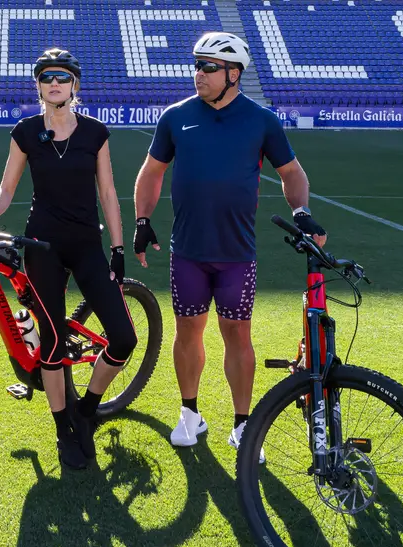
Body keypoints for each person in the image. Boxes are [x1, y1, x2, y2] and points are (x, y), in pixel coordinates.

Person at [132, 32, 327, 459]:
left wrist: (301, 212)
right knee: (188, 332)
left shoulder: (261, 120)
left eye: (208, 67)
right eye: (196, 65)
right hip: (188, 252)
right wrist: (142, 220)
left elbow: (292, 174)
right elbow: (150, 173)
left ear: (233, 74)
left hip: (237, 253)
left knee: (237, 333)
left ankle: (243, 426)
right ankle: (189, 414)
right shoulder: (175, 116)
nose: (197, 74)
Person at [0, 48, 137, 470]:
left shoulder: (96, 132)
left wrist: (117, 248)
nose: (54, 83)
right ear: (39, 86)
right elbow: (6, 188)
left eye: (62, 77)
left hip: (86, 244)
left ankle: (86, 410)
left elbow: (108, 193)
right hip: (42, 245)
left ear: (74, 84)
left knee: (123, 338)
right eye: (46, 77)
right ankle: (63, 427)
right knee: (54, 340)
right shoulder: (25, 131)